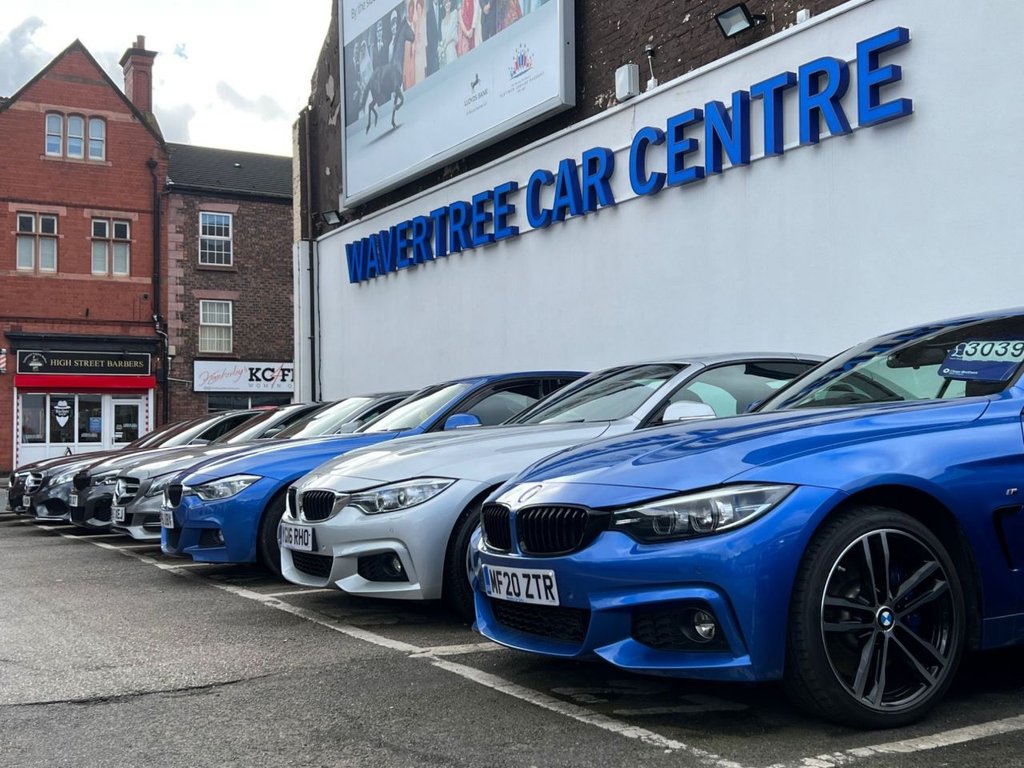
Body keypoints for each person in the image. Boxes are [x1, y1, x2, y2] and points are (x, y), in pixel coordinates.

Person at [403, 0, 418, 89]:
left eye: (413, 11)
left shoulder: (415, 26)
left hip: (414, 61)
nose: (411, 14)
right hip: (406, 62)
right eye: (410, 11)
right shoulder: (405, 28)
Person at [425, 0, 443, 75]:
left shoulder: (442, 8)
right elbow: (429, 33)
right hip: (433, 51)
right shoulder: (428, 13)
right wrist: (435, 47)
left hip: (443, 46)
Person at [439, 0, 458, 67]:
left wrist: (447, 43)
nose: (447, 4)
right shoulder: (442, 22)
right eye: (446, 3)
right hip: (445, 52)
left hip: (452, 48)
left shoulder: (454, 14)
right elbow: (443, 39)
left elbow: (454, 35)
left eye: (449, 2)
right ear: (444, 5)